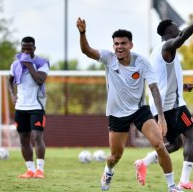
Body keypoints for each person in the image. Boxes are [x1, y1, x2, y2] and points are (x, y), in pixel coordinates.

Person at [76, 17, 183, 192]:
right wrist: (82, 32)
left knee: (160, 145)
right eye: (116, 44)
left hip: (140, 111)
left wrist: (161, 118)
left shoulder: (142, 62)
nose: (119, 46)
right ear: (113, 46)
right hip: (117, 114)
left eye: (123, 43)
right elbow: (86, 50)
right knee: (115, 156)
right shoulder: (108, 59)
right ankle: (108, 171)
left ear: (130, 45)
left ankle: (172, 187)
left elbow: (154, 88)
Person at [134, 11, 193, 190]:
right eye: (176, 27)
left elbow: (161, 78)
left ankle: (144, 162)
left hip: (164, 104)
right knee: (192, 135)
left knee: (176, 143)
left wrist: (182, 87)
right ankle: (184, 181)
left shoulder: (156, 52)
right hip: (170, 106)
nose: (179, 29)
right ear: (170, 31)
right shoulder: (168, 46)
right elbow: (182, 37)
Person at [8, 36, 50, 179]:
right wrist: (12, 95)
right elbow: (10, 81)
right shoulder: (15, 65)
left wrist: (29, 64)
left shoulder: (42, 63)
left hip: (36, 107)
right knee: (23, 139)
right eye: (23, 48)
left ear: (34, 49)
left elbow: (39, 80)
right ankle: (30, 170)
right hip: (20, 107)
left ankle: (40, 170)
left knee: (37, 137)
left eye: (29, 48)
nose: (26, 51)